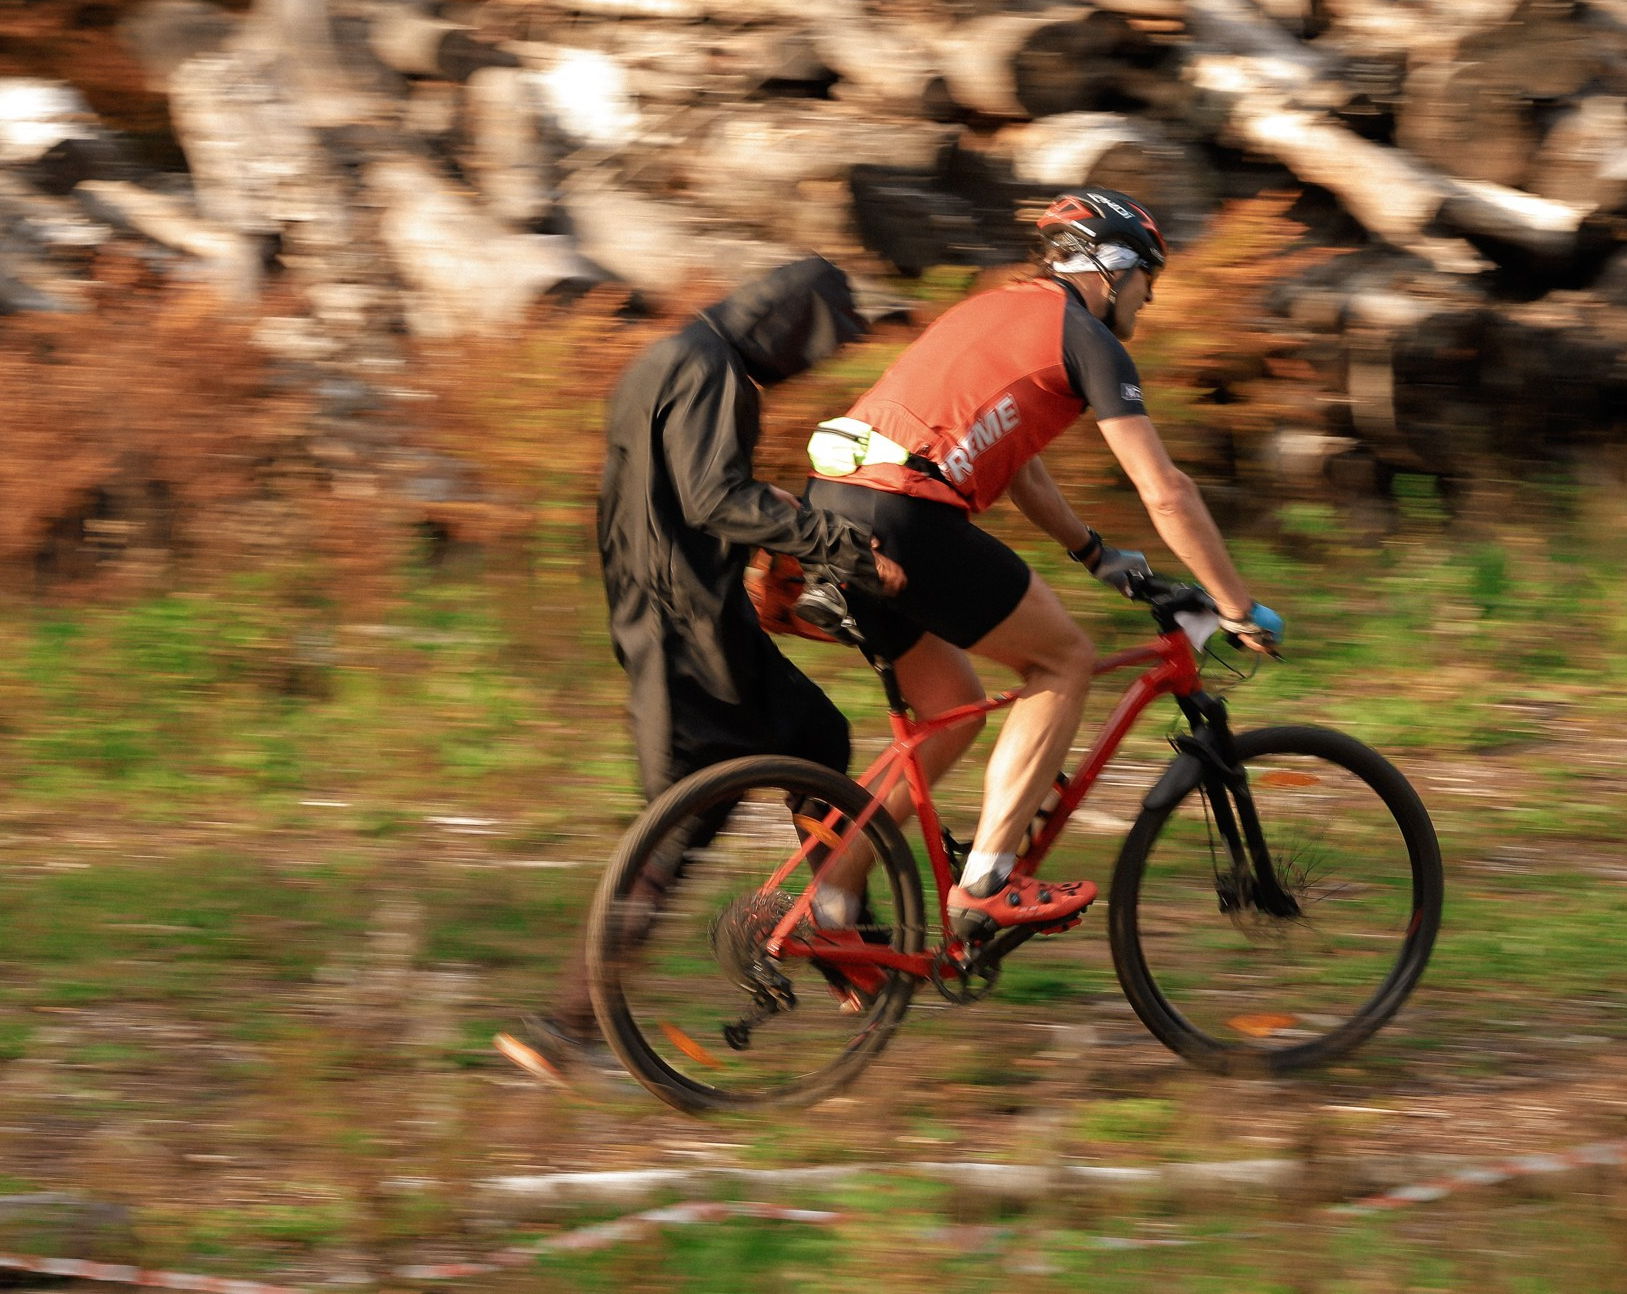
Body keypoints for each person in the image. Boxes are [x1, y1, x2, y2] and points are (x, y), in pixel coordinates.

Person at [803, 189, 1283, 942]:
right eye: (1146, 284)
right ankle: (988, 882)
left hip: (831, 508)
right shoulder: (1089, 339)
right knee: (1063, 661)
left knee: (947, 711)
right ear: (1113, 268)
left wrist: (1093, 553)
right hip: (904, 515)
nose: (1145, 303)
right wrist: (1234, 605)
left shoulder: (990, 310)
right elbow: (1165, 490)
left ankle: (828, 905)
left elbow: (1015, 463)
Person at [496, 255, 904, 1088]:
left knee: (747, 779)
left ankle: (567, 1026)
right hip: (690, 629)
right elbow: (713, 497)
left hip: (659, 620)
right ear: (787, 325)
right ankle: (838, 937)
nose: (810, 366)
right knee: (715, 804)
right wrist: (836, 546)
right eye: (814, 347)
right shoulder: (715, 371)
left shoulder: (667, 356)